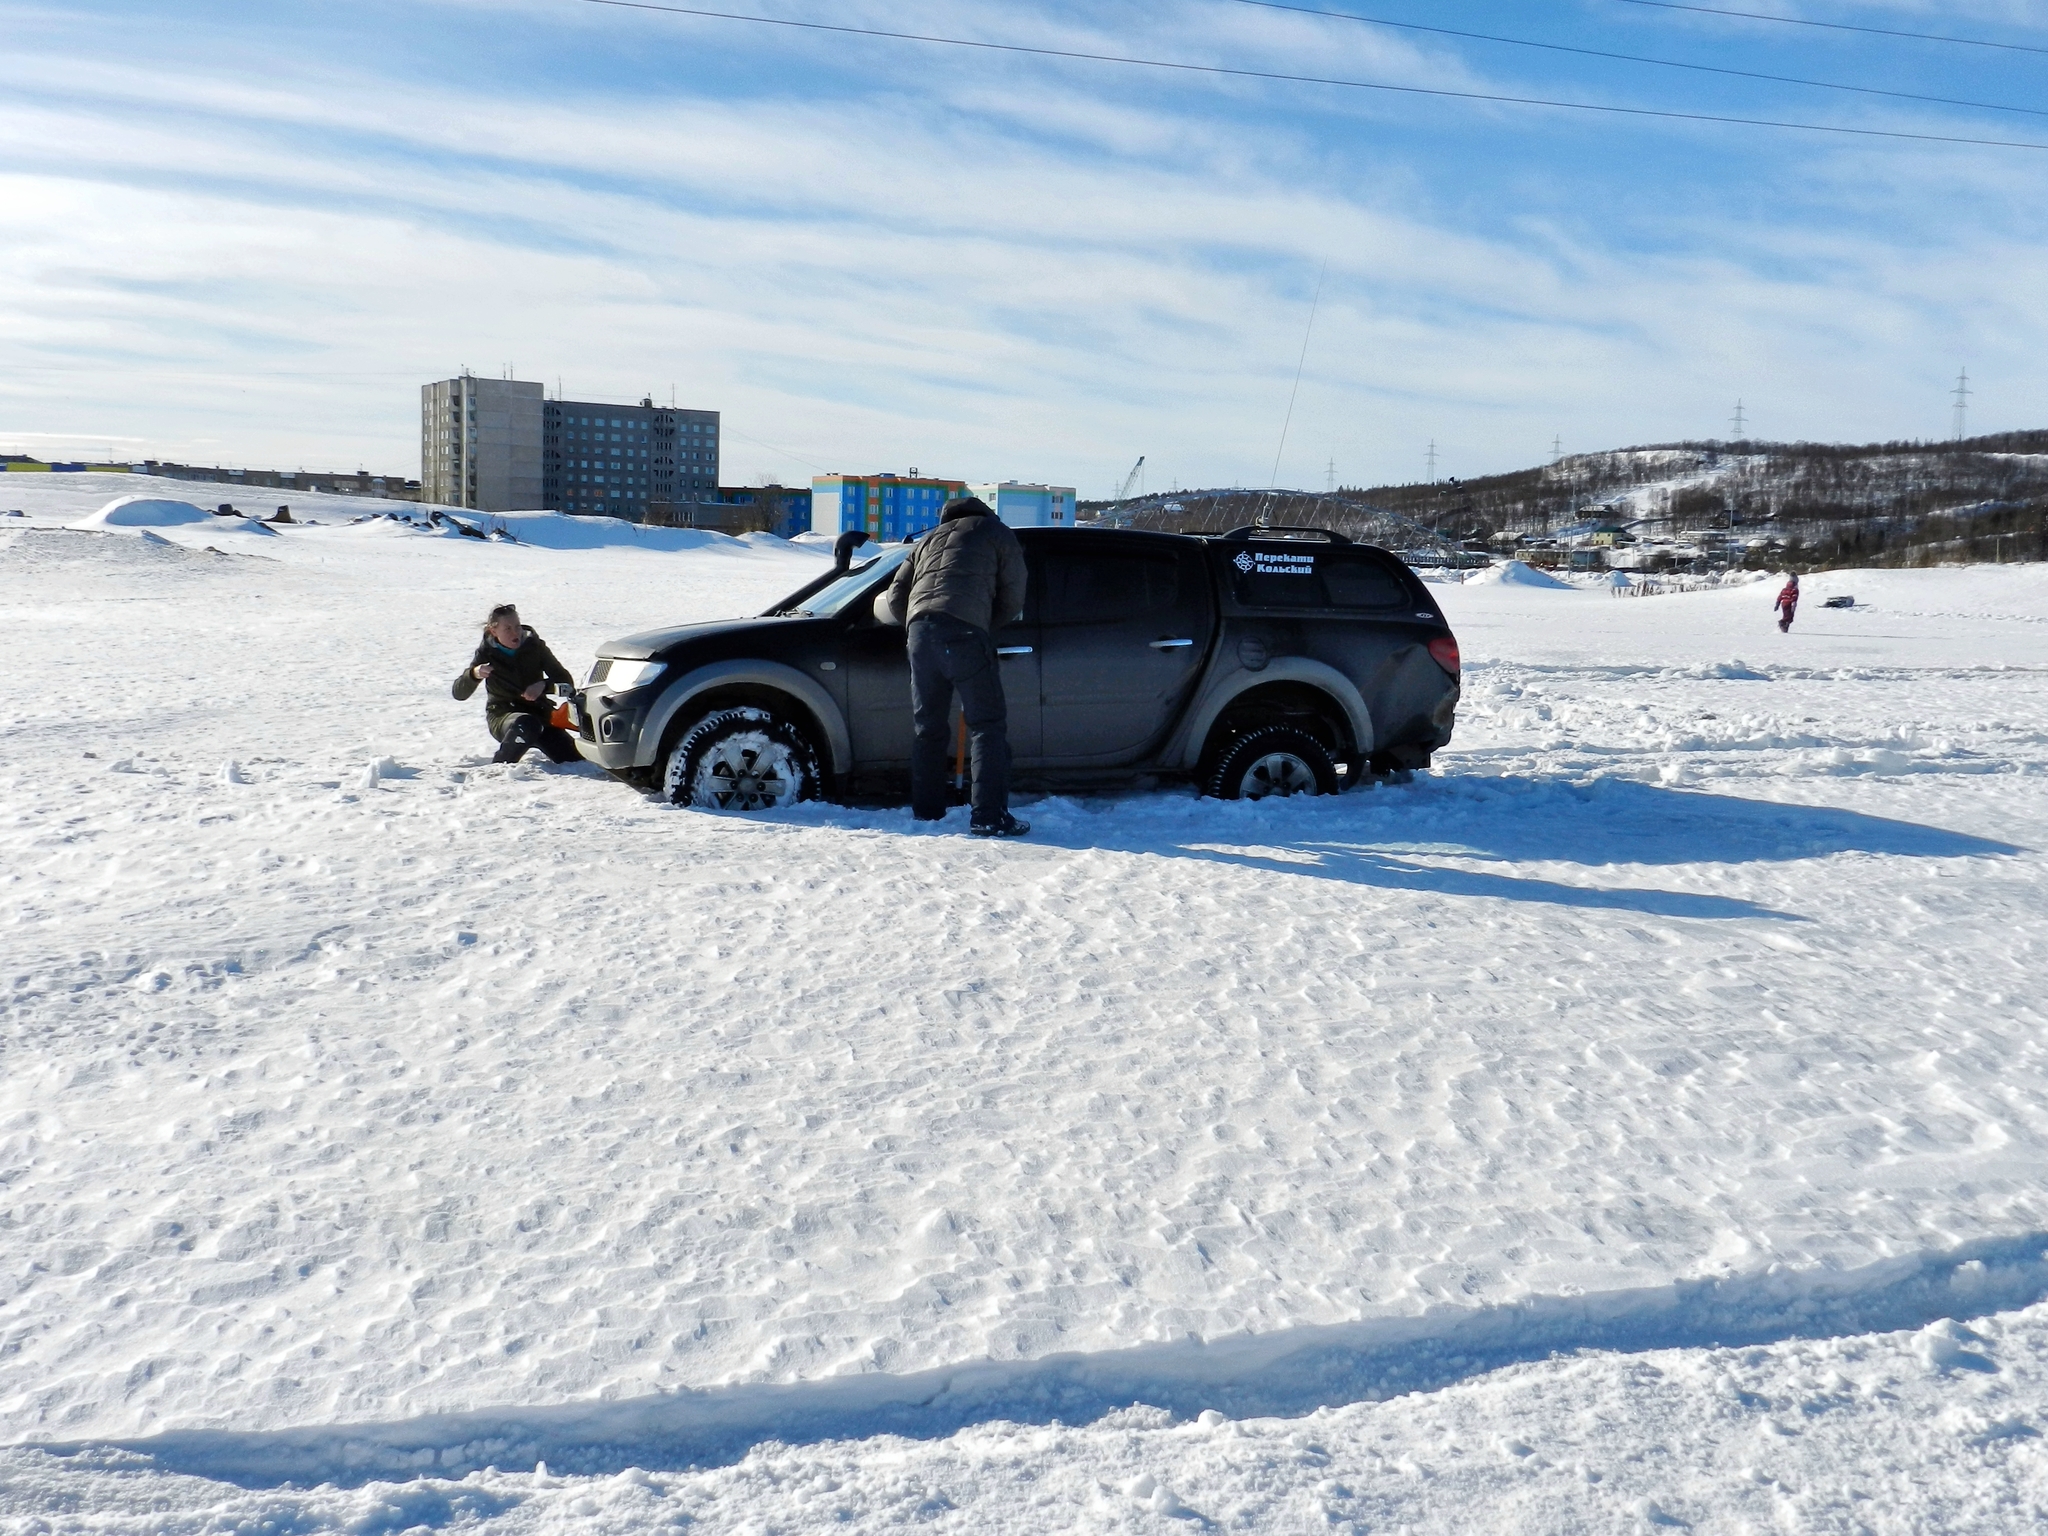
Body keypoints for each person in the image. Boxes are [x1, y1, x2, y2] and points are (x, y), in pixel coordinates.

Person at [875, 497, 1030, 835]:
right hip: (965, 631)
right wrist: (985, 623)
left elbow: (896, 594)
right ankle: (989, 816)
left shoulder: (928, 540)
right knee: (987, 724)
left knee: (928, 727)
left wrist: (918, 625)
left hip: (919, 634)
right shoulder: (996, 532)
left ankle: (927, 813)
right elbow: (1015, 593)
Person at [453, 603, 580, 764]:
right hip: (503, 716)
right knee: (527, 724)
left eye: (517, 626)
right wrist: (474, 674)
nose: (516, 633)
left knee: (574, 760)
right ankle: (500, 769)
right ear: (493, 631)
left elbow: (566, 681)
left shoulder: (535, 646)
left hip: (541, 714)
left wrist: (543, 685)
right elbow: (458, 693)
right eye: (508, 629)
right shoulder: (487, 653)